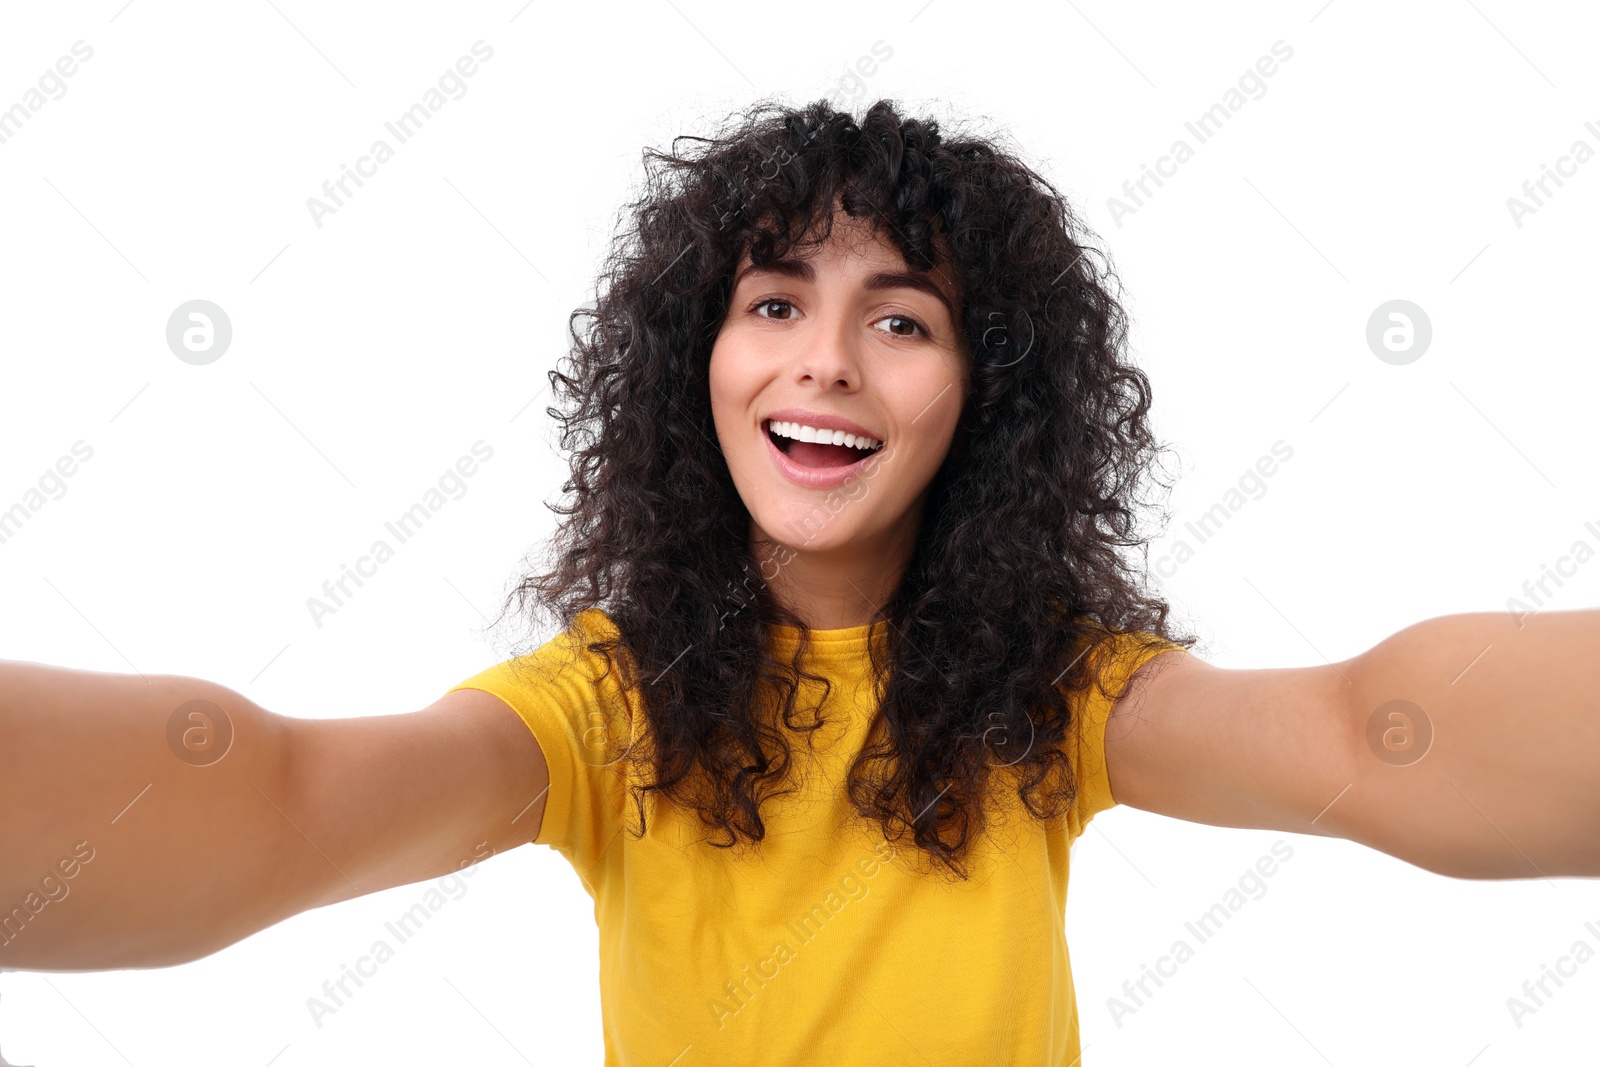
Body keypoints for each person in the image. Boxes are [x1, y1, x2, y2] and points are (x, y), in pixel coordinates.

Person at [2, 97, 1596, 1065]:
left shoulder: (1051, 697)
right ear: (694, 362)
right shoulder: (604, 710)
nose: (824, 361)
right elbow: (272, 794)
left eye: (901, 320)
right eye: (774, 303)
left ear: (983, 399)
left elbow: (1368, 735)